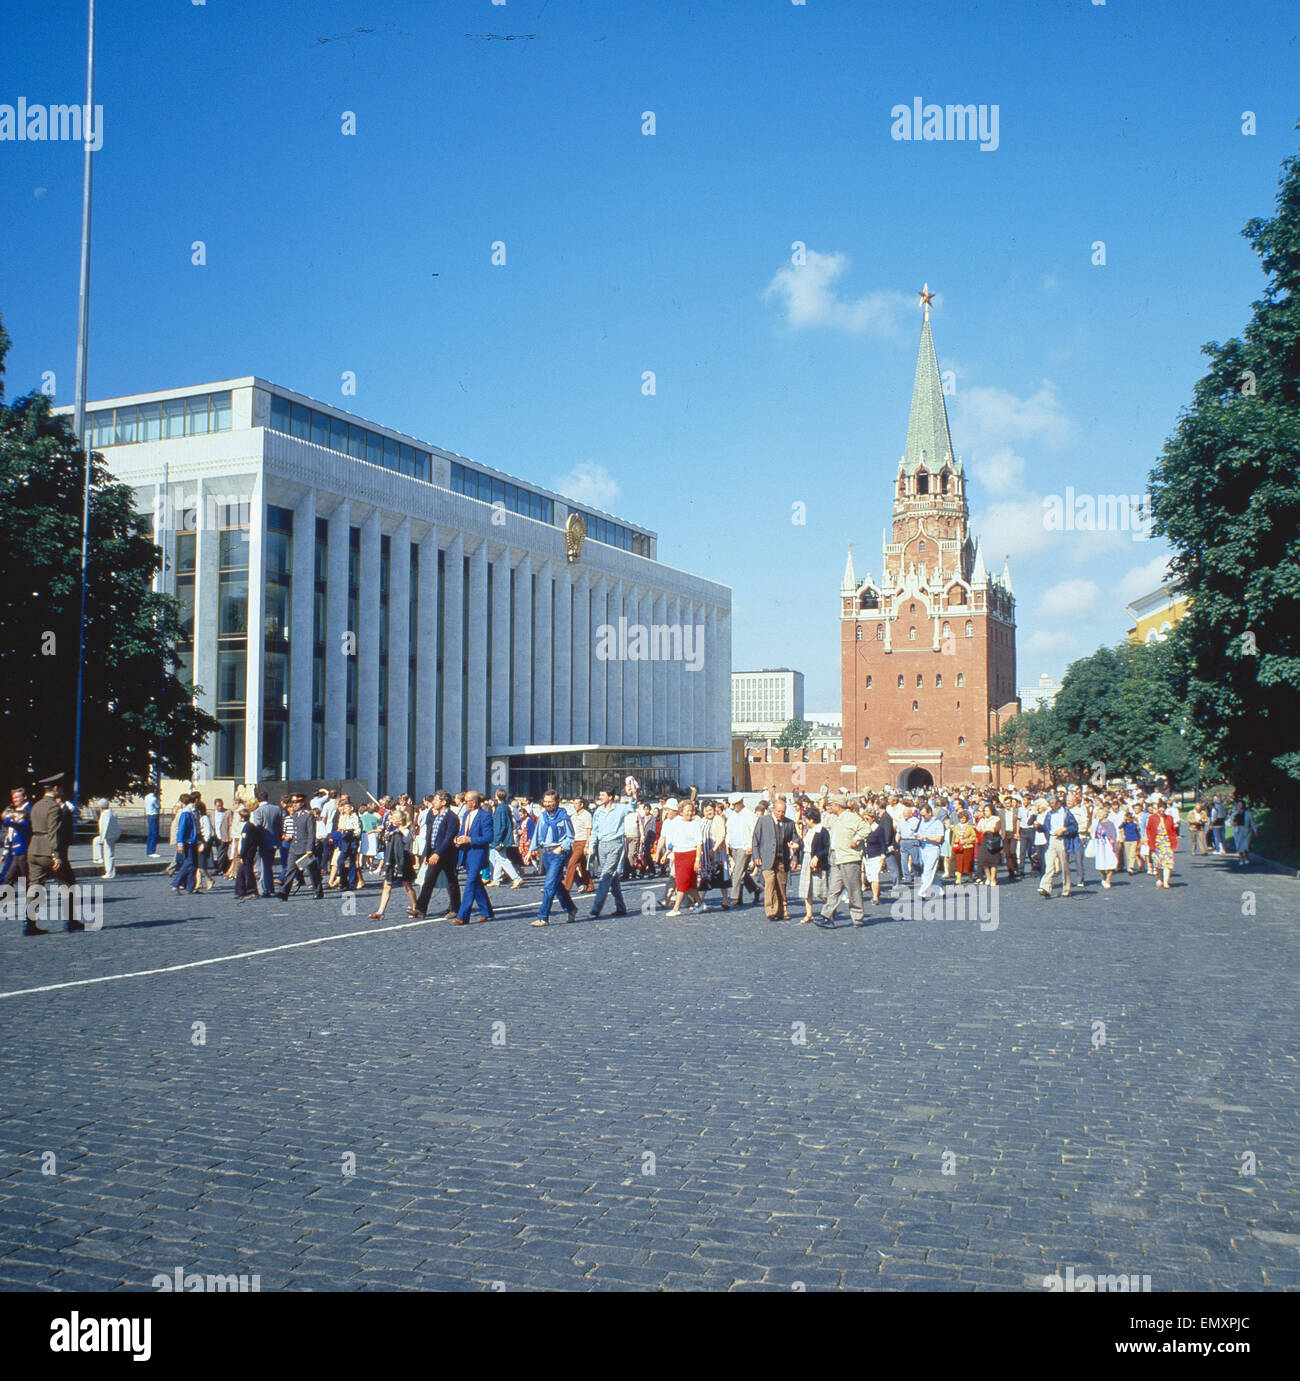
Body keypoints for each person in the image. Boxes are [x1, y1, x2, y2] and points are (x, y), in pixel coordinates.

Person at [816, 798, 868, 927]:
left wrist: (856, 839)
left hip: (849, 858)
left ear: (837, 805)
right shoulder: (836, 819)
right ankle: (827, 916)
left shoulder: (852, 817)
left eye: (831, 805)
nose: (829, 807)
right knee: (834, 889)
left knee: (853, 889)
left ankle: (857, 918)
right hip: (836, 856)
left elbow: (866, 828)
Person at [411, 791, 462, 918]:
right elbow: (430, 836)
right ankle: (420, 908)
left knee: (452, 882)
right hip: (434, 852)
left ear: (444, 802)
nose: (433, 802)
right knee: (428, 881)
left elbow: (448, 838)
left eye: (436, 800)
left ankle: (455, 908)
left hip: (447, 854)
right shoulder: (436, 816)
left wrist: (438, 853)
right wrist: (427, 854)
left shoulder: (452, 817)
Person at [531, 790, 577, 926]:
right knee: (557, 886)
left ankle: (543, 917)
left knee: (549, 885)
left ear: (557, 802)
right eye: (545, 802)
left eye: (550, 802)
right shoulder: (542, 817)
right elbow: (537, 834)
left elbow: (570, 837)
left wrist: (561, 848)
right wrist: (531, 850)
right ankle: (571, 908)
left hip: (558, 853)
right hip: (546, 853)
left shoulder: (564, 817)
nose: (547, 804)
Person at [588, 787, 632, 918]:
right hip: (602, 845)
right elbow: (595, 830)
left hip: (615, 844)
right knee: (612, 877)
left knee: (605, 875)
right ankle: (621, 907)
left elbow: (633, 806)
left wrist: (632, 794)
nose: (600, 797)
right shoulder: (598, 811)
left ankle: (596, 907)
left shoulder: (620, 809)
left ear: (610, 797)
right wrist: (591, 846)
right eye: (599, 794)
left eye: (603, 795)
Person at [752, 795, 797, 921]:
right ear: (773, 810)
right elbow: (755, 839)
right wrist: (756, 856)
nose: (780, 814)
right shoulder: (763, 821)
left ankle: (783, 910)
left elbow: (796, 841)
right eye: (778, 811)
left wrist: (794, 858)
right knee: (770, 884)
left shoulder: (789, 824)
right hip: (766, 859)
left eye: (783, 812)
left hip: (782, 860)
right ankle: (771, 910)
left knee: (781, 885)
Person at [454, 790, 495, 924]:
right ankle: (486, 911)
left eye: (466, 801)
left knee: (470, 883)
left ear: (474, 802)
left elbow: (489, 837)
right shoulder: (466, 814)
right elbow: (463, 831)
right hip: (466, 852)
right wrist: (458, 838)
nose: (464, 804)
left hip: (477, 853)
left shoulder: (485, 816)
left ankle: (462, 915)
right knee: (476, 883)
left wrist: (470, 840)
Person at [368, 810, 418, 919]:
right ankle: (380, 911)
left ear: (399, 821)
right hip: (393, 859)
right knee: (387, 885)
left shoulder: (405, 832)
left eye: (392, 819)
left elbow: (400, 847)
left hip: (402, 860)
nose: (390, 820)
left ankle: (415, 907)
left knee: (407, 885)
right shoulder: (396, 831)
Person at [663, 798, 705, 916]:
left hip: (689, 854)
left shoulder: (695, 824)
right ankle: (700, 903)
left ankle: (676, 909)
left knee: (681, 882)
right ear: (681, 811)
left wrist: (697, 860)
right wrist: (667, 854)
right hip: (678, 854)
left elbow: (699, 844)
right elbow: (674, 841)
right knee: (689, 884)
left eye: (691, 810)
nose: (690, 813)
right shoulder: (677, 822)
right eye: (687, 810)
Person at [278, 794, 325, 900]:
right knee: (290, 869)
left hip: (305, 849)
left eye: (296, 802)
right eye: (293, 802)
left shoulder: (308, 815)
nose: (294, 804)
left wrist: (310, 848)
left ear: (302, 803)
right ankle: (284, 892)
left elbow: (311, 833)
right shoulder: (293, 816)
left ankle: (318, 891)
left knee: (312, 871)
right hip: (294, 847)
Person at [794, 805, 829, 923]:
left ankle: (830, 909)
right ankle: (809, 914)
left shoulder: (822, 831)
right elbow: (806, 845)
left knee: (820, 890)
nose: (804, 822)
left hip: (817, 863)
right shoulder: (809, 831)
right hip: (806, 859)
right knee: (806, 888)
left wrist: (818, 856)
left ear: (812, 820)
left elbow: (827, 848)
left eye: (806, 819)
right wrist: (797, 846)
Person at [1038, 793, 1076, 900]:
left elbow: (1074, 827)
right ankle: (1045, 887)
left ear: (1058, 803)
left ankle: (1066, 888)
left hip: (1062, 839)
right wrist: (1039, 827)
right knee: (1049, 864)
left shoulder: (1066, 813)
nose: (1051, 806)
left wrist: (1064, 830)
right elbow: (1046, 827)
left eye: (1053, 804)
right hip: (1051, 839)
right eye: (1050, 804)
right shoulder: (1049, 814)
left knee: (1064, 865)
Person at [725, 794, 760, 907]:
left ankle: (734, 897)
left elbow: (753, 832)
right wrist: (728, 844)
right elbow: (729, 830)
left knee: (737, 872)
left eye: (735, 804)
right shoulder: (732, 815)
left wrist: (751, 846)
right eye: (733, 805)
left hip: (744, 847)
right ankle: (755, 889)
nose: (734, 807)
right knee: (742, 873)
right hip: (734, 846)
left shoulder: (749, 815)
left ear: (741, 802)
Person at [487, 788, 525, 888]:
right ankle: (496, 880)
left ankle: (517, 878)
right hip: (504, 837)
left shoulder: (501, 808)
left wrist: (497, 839)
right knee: (499, 858)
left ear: (497, 796)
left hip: (501, 838)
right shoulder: (504, 807)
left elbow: (501, 826)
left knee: (502, 859)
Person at [250, 790, 283, 898]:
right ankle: (270, 887)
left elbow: (258, 826)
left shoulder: (258, 811)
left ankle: (264, 889)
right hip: (274, 840)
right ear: (267, 797)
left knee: (263, 866)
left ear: (258, 799)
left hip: (263, 841)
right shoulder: (277, 809)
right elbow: (279, 826)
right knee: (268, 866)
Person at [562, 797, 595, 894]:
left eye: (577, 803)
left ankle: (566, 886)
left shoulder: (587, 815)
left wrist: (587, 845)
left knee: (572, 863)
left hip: (583, 841)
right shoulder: (573, 816)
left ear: (582, 805)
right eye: (574, 803)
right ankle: (589, 886)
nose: (574, 805)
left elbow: (589, 831)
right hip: (575, 842)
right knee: (582, 865)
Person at [915, 804, 946, 899]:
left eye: (924, 815)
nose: (922, 817)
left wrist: (926, 837)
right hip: (923, 849)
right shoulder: (922, 822)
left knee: (927, 871)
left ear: (930, 812)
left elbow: (939, 839)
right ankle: (939, 891)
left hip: (933, 849)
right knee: (931, 870)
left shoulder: (938, 823)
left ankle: (922, 892)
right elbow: (920, 832)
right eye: (921, 815)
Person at [1146, 799, 1178, 888]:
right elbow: (1148, 829)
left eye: (1163, 810)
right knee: (1158, 863)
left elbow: (1172, 831)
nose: (1161, 812)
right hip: (1156, 842)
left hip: (1167, 842)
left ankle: (1166, 882)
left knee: (1168, 862)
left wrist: (1174, 841)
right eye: (1160, 810)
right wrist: (1148, 839)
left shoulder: (1169, 818)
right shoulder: (1152, 818)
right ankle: (1160, 878)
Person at [172, 793, 199, 894]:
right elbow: (182, 829)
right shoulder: (186, 813)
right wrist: (180, 843)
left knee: (194, 864)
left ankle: (190, 887)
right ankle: (176, 883)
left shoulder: (193, 811)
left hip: (193, 840)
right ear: (195, 800)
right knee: (189, 863)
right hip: (188, 841)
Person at [233, 808, 259, 899]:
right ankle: (240, 891)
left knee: (248, 873)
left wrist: (242, 855)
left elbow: (245, 843)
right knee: (241, 873)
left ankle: (252, 891)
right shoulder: (250, 826)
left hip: (247, 854)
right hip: (249, 853)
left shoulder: (247, 828)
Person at [1091, 807, 1119, 888]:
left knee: (1110, 862)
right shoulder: (1096, 823)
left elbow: (1113, 834)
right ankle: (1104, 875)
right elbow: (1092, 831)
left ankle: (1108, 879)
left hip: (1107, 845)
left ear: (1105, 815)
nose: (1098, 815)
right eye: (1098, 814)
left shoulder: (1110, 823)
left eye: (1100, 814)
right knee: (1100, 864)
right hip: (1099, 845)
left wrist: (1113, 841)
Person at [94, 798, 120, 879]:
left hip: (108, 836)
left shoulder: (105, 814)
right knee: (95, 841)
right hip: (113, 835)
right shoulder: (112, 813)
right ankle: (98, 858)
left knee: (108, 854)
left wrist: (102, 838)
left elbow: (104, 827)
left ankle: (109, 872)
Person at [951, 808, 976, 884]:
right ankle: (959, 879)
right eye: (961, 818)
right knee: (958, 862)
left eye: (964, 818)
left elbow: (974, 837)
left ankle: (970, 875)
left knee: (968, 862)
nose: (962, 820)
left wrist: (965, 841)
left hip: (968, 847)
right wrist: (953, 847)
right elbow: (953, 838)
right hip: (958, 848)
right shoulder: (956, 827)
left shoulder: (969, 827)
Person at [1231, 800, 1256, 865]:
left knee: (1246, 845)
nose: (1240, 806)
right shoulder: (1234, 813)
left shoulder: (1248, 813)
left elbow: (1252, 822)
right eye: (1239, 805)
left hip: (1246, 830)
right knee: (1238, 845)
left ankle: (1246, 858)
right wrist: (1234, 823)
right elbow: (1230, 822)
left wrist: (1255, 830)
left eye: (1241, 805)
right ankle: (1241, 859)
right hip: (1237, 830)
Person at [144, 783, 161, 857]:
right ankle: (152, 851)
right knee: (154, 833)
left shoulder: (146, 797)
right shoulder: (154, 798)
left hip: (149, 815)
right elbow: (158, 806)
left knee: (150, 834)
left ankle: (149, 850)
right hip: (154, 815)